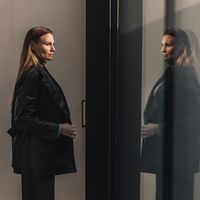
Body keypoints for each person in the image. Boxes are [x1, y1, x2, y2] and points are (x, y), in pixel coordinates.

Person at [7, 26, 77, 200]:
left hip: (39, 159)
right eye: (47, 44)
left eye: (53, 44)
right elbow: (23, 119)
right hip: (36, 160)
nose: (53, 48)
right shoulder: (33, 75)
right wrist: (58, 129)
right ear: (33, 46)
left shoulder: (38, 72)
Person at [141, 28, 200, 200]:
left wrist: (158, 129)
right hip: (167, 157)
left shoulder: (185, 77)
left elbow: (193, 123)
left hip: (178, 160)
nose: (163, 49)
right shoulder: (173, 73)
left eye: (168, 45)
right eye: (162, 45)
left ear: (181, 47)